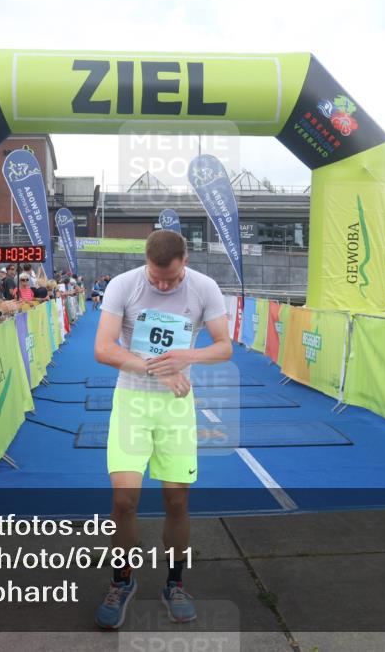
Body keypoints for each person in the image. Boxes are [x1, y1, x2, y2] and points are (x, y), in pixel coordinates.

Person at [92, 230, 232, 629]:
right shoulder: (124, 285)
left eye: (170, 279)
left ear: (185, 261)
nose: (163, 285)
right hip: (132, 402)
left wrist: (187, 356)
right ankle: (122, 580)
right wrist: (158, 369)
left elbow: (223, 347)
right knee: (124, 501)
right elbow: (103, 348)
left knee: (176, 501)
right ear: (146, 262)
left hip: (175, 407)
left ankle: (175, 582)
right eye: (156, 278)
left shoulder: (204, 288)